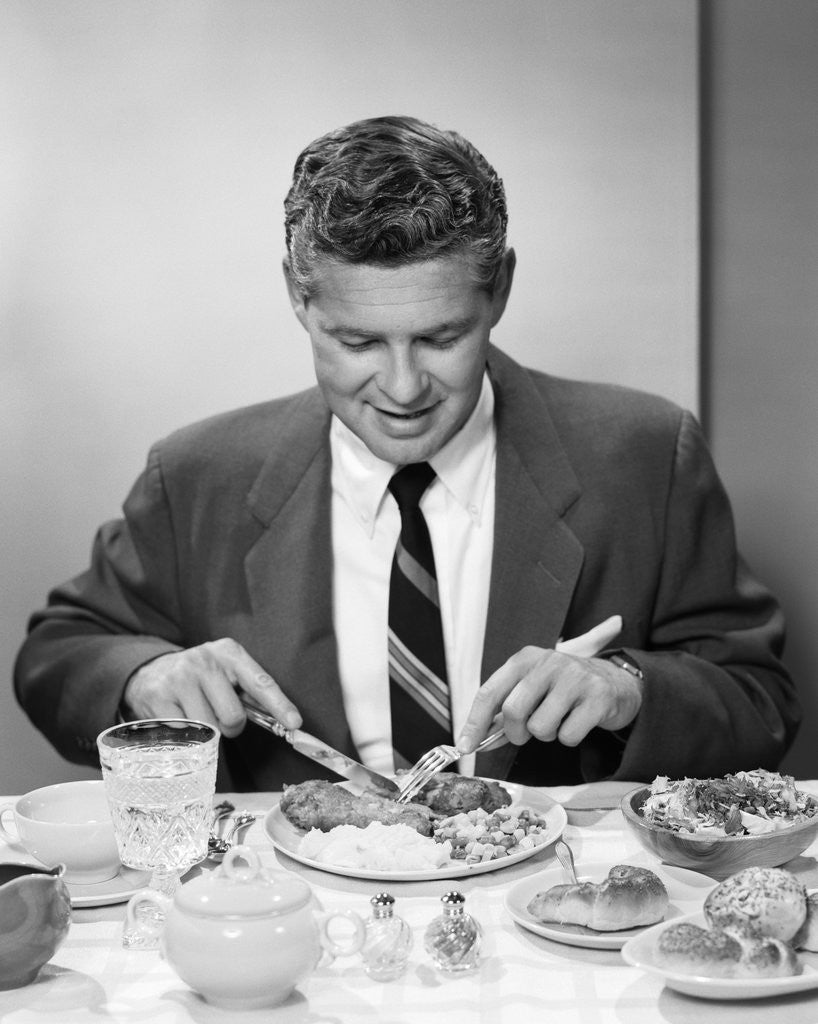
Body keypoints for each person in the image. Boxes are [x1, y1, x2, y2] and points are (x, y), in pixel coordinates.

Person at [14, 115, 799, 791]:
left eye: (440, 337)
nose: (401, 387)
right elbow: (58, 654)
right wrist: (143, 676)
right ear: (298, 296)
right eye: (356, 341)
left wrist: (629, 689)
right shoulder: (195, 474)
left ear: (500, 292)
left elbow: (760, 704)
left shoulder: (647, 454)